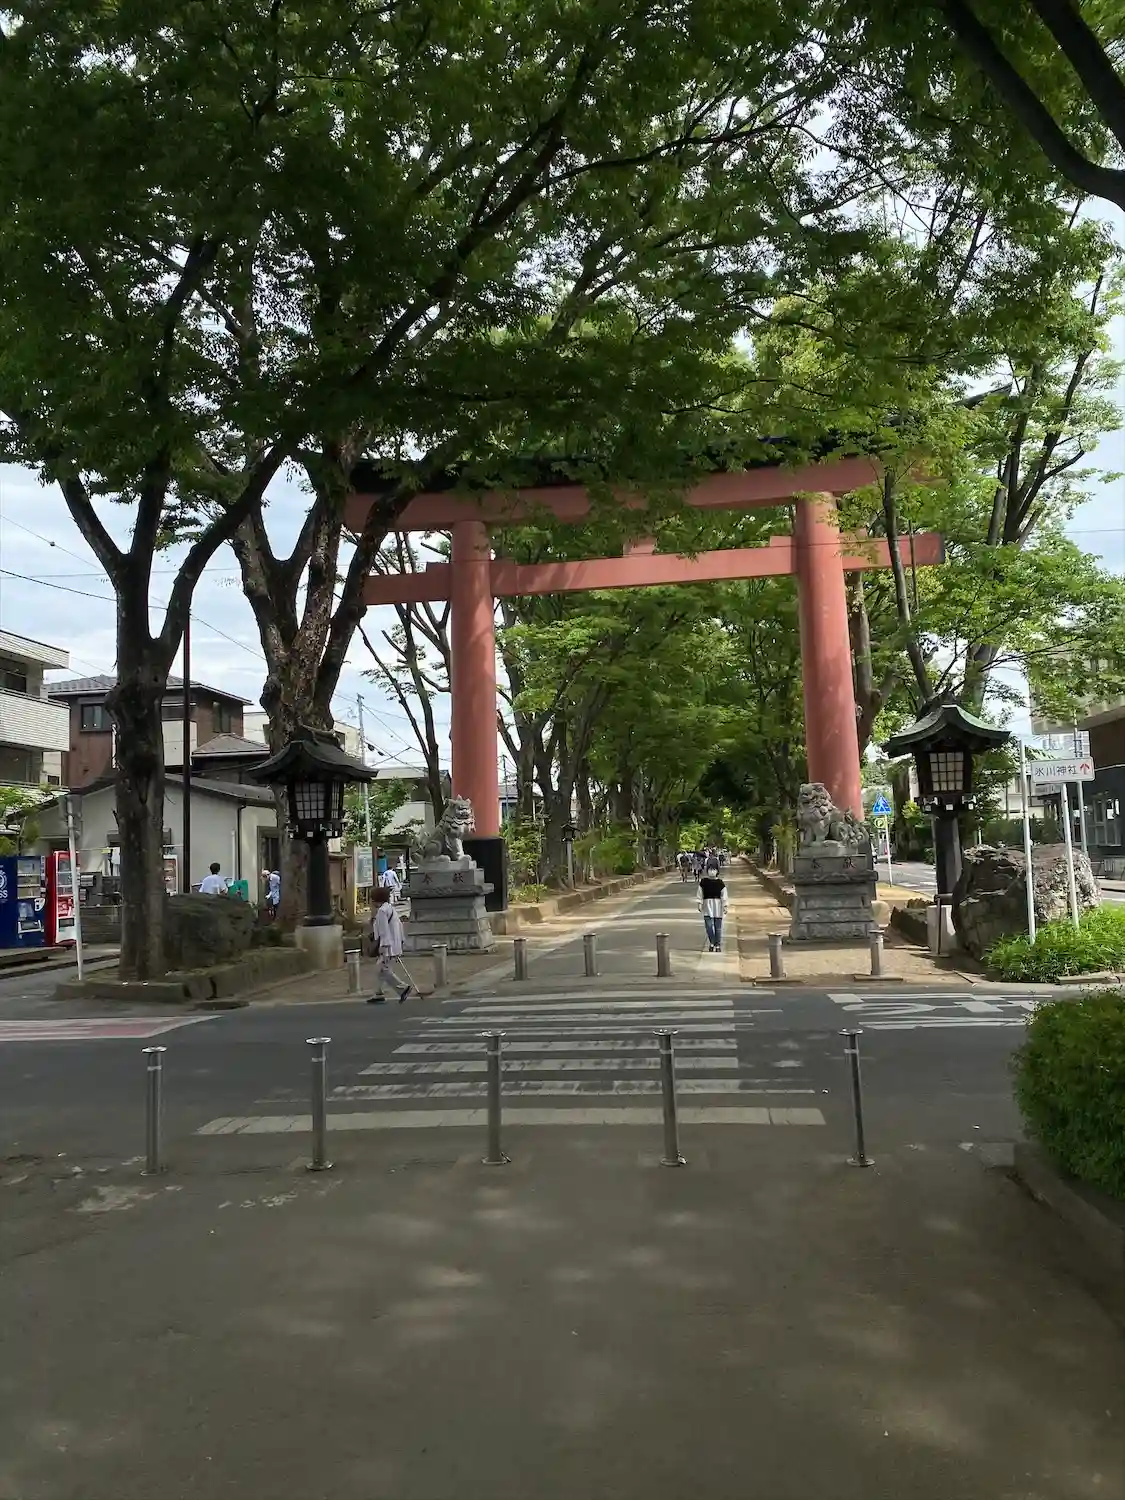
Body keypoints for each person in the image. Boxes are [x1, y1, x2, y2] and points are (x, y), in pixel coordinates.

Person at [367, 887, 415, 1004]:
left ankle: (403, 988)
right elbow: (399, 926)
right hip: (394, 944)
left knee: (384, 970)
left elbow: (384, 931)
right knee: (380, 970)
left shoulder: (382, 911)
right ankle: (378, 993)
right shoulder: (390, 909)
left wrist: (383, 947)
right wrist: (401, 941)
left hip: (388, 946)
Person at [697, 866, 729, 952]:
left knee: (718, 927)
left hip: (718, 907)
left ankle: (717, 945)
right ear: (707, 871)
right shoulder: (703, 882)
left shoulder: (720, 883)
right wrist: (699, 903)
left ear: (717, 871)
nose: (712, 871)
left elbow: (724, 895)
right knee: (709, 927)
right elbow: (700, 894)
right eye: (710, 869)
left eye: (714, 869)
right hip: (707, 906)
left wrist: (725, 906)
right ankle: (712, 942)